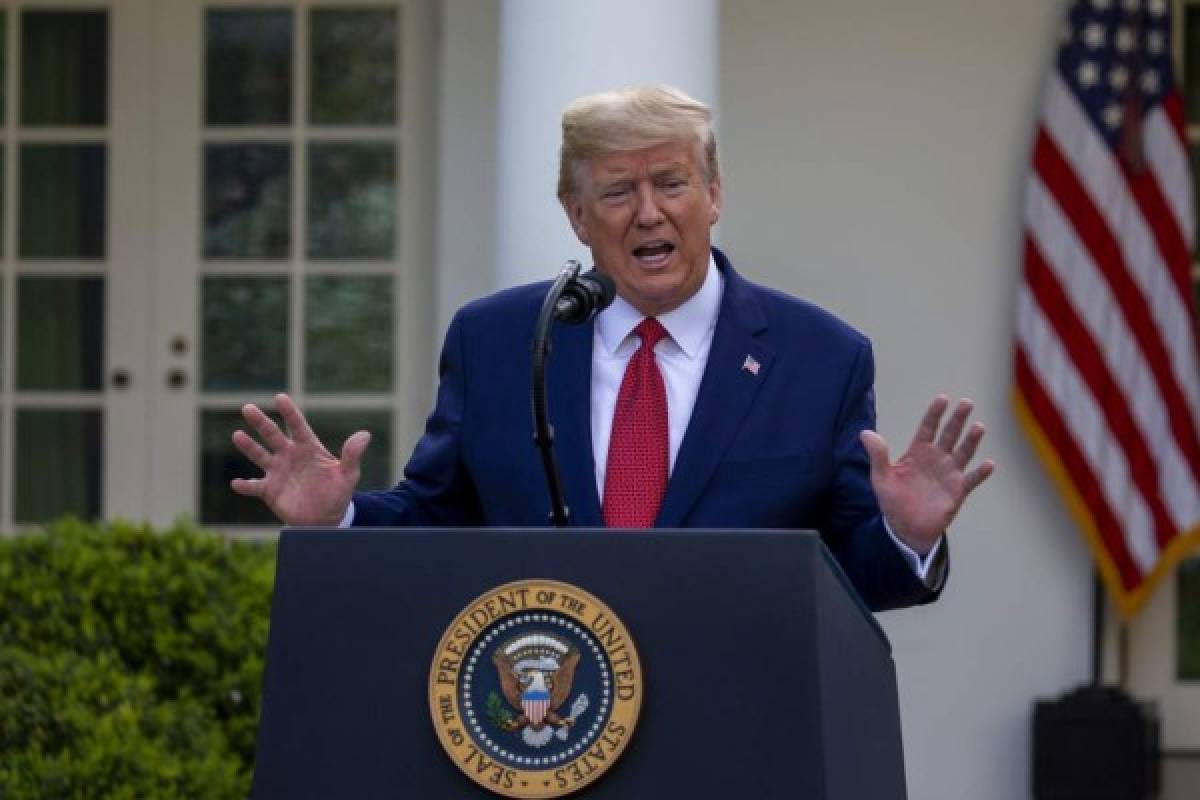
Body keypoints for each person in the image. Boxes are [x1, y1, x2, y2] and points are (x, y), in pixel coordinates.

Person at [231, 85, 993, 612]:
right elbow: (438, 520)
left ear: (715, 194)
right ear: (576, 215)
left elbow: (849, 576)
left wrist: (906, 536)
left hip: (739, 736)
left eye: (672, 183)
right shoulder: (499, 342)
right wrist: (338, 521)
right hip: (543, 730)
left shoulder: (820, 357)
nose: (649, 214)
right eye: (619, 192)